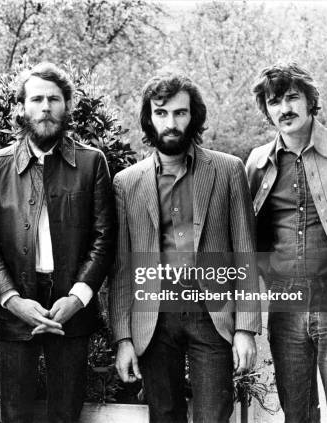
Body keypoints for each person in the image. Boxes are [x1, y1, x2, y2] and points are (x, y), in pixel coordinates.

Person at [109, 73, 261, 423]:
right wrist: (123, 338)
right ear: (149, 118)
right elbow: (121, 268)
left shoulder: (227, 170)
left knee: (213, 415)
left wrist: (245, 328)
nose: (171, 123)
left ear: (194, 116)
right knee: (164, 415)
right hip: (154, 317)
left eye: (180, 113)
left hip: (212, 314)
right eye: (161, 113)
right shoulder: (127, 183)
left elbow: (245, 254)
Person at [0, 62, 114, 423]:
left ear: (67, 105)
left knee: (66, 414)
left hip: (71, 307)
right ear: (21, 107)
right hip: (15, 307)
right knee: (15, 414)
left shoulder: (91, 162)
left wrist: (77, 298)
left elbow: (104, 237)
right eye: (36, 99)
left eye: (54, 99)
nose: (46, 107)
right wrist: (13, 300)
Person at [246, 62, 327, 423]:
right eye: (274, 102)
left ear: (310, 100)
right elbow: (244, 231)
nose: (284, 109)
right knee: (297, 415)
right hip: (285, 306)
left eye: (292, 97)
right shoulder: (257, 162)